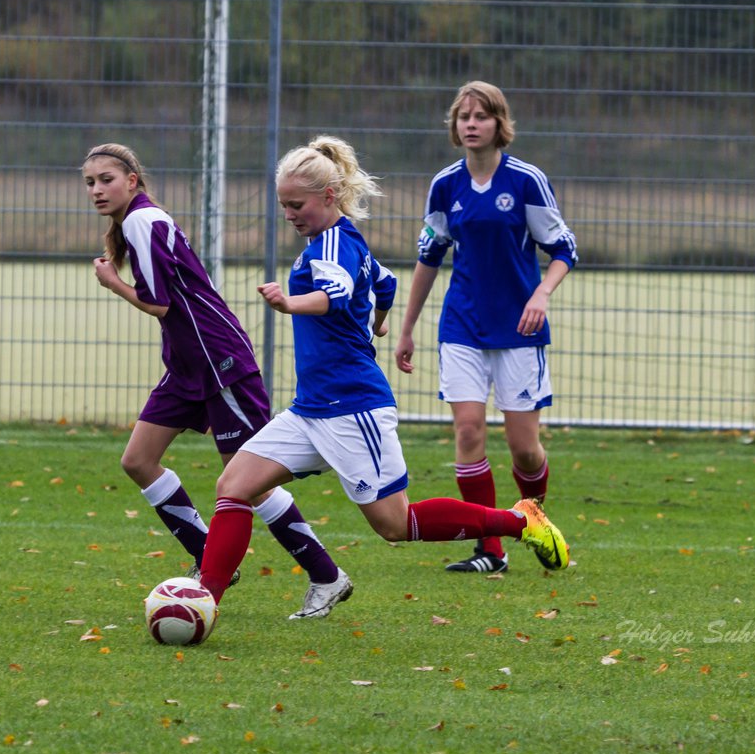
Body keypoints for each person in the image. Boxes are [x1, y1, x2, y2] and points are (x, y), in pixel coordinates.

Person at [195, 135, 569, 625]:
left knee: (397, 524)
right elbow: (385, 282)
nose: (288, 213)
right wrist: (379, 319)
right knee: (234, 485)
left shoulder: (332, 245)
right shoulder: (341, 237)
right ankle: (205, 600)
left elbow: (335, 293)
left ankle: (520, 522)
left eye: (296, 204)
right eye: (283, 204)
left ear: (328, 197)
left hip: (353, 409)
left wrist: (291, 302)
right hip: (312, 408)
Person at [82, 143, 339, 605]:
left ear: (132, 182)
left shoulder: (144, 220)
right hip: (185, 366)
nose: (97, 190)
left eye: (106, 179)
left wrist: (113, 283)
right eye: (90, 182)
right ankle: (207, 555)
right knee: (138, 460)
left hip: (219, 362)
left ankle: (326, 574)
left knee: (249, 480)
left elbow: (159, 302)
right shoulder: (135, 223)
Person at [394, 81, 578, 574]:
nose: (471, 124)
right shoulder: (445, 186)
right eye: (463, 117)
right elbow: (429, 257)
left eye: (481, 116)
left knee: (525, 449)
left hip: (518, 329)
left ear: (500, 124)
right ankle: (490, 550)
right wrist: (407, 328)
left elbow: (565, 250)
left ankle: (535, 518)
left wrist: (541, 294)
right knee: (469, 431)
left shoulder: (526, 181)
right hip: (462, 328)